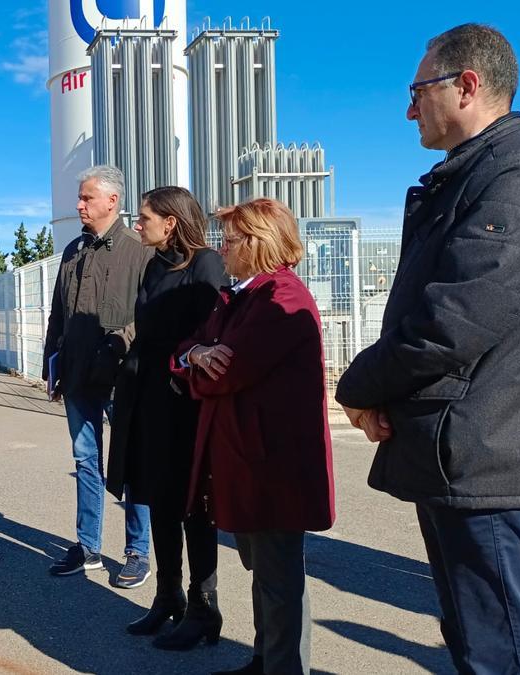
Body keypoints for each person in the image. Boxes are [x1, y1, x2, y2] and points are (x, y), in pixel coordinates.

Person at [335, 24, 520, 674]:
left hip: (489, 455)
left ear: (468, 86)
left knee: (509, 653)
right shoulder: (477, 176)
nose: (408, 108)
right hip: (463, 449)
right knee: (481, 643)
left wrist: (358, 385)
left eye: (417, 90)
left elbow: (452, 320)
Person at [172, 198, 335, 675]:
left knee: (280, 581)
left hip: (275, 467)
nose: (222, 249)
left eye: (231, 239)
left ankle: (283, 668)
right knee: (263, 575)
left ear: (259, 242)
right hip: (247, 461)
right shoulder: (242, 295)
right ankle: (266, 661)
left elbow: (227, 371)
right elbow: (189, 350)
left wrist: (197, 362)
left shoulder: (281, 297)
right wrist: (196, 354)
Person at [107, 186, 226, 648]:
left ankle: (203, 608)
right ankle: (167, 597)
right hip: (147, 401)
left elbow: (210, 334)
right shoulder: (154, 265)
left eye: (144, 218)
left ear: (170, 222)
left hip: (185, 405)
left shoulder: (207, 265)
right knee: (157, 500)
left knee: (193, 506)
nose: (138, 224)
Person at [42, 165, 153, 585]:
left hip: (123, 377)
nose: (79, 204)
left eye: (87, 197)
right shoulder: (73, 251)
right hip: (76, 377)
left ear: (113, 201)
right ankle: (88, 546)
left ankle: (137, 552)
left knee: (131, 464)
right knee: (86, 461)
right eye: (80, 197)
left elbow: (149, 312)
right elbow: (59, 314)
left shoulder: (139, 249)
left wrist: (120, 343)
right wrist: (50, 363)